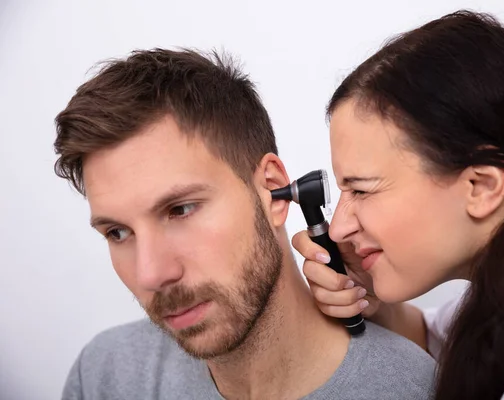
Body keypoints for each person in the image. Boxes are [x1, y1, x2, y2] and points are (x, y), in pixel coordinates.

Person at [53, 48, 435, 400]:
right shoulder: (103, 376)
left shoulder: (414, 389)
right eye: (117, 233)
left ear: (271, 190)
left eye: (181, 209)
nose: (151, 274)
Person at [292, 10, 504, 400]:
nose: (337, 230)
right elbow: (441, 341)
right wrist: (369, 295)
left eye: (363, 190)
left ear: (481, 187)